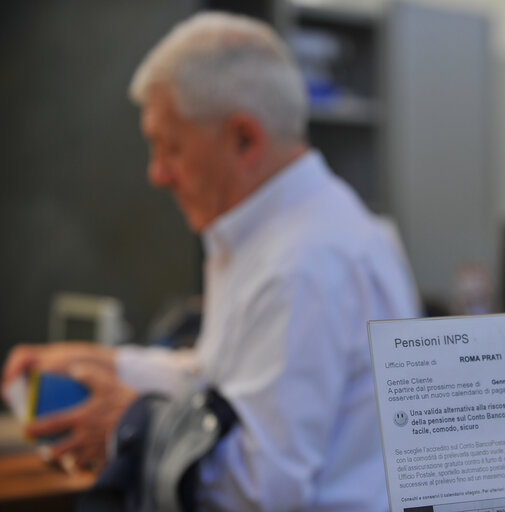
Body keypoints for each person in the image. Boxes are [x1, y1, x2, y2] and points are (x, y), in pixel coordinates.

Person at [2, 12, 419, 510]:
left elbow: (260, 491)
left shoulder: (303, 262)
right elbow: (221, 386)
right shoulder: (289, 231)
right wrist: (110, 365)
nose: (157, 174)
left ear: (244, 139)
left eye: (169, 147)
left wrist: (127, 425)